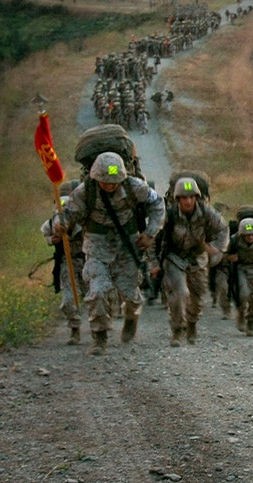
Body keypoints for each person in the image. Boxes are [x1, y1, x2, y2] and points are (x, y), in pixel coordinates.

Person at [56, 151, 165, 355]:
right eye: (105, 182)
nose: (110, 185)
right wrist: (60, 225)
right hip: (97, 245)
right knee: (97, 291)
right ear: (96, 178)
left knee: (130, 295)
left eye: (114, 182)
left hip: (127, 244)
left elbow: (158, 204)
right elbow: (68, 213)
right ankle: (100, 337)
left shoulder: (134, 186)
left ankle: (132, 316)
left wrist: (151, 233)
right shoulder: (84, 191)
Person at [151, 177, 228, 346]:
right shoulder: (169, 215)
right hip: (174, 257)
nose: (188, 201)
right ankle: (177, 330)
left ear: (196, 198)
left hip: (198, 258)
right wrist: (154, 263)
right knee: (179, 293)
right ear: (178, 199)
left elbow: (223, 229)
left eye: (191, 197)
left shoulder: (207, 213)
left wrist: (214, 249)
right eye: (184, 198)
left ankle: (192, 324)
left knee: (197, 298)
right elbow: (153, 238)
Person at [41, 194, 86, 345]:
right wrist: (52, 240)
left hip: (88, 262)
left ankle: (100, 328)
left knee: (97, 297)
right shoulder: (51, 224)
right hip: (67, 263)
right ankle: (74, 328)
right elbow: (46, 234)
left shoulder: (85, 222)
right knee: (68, 300)